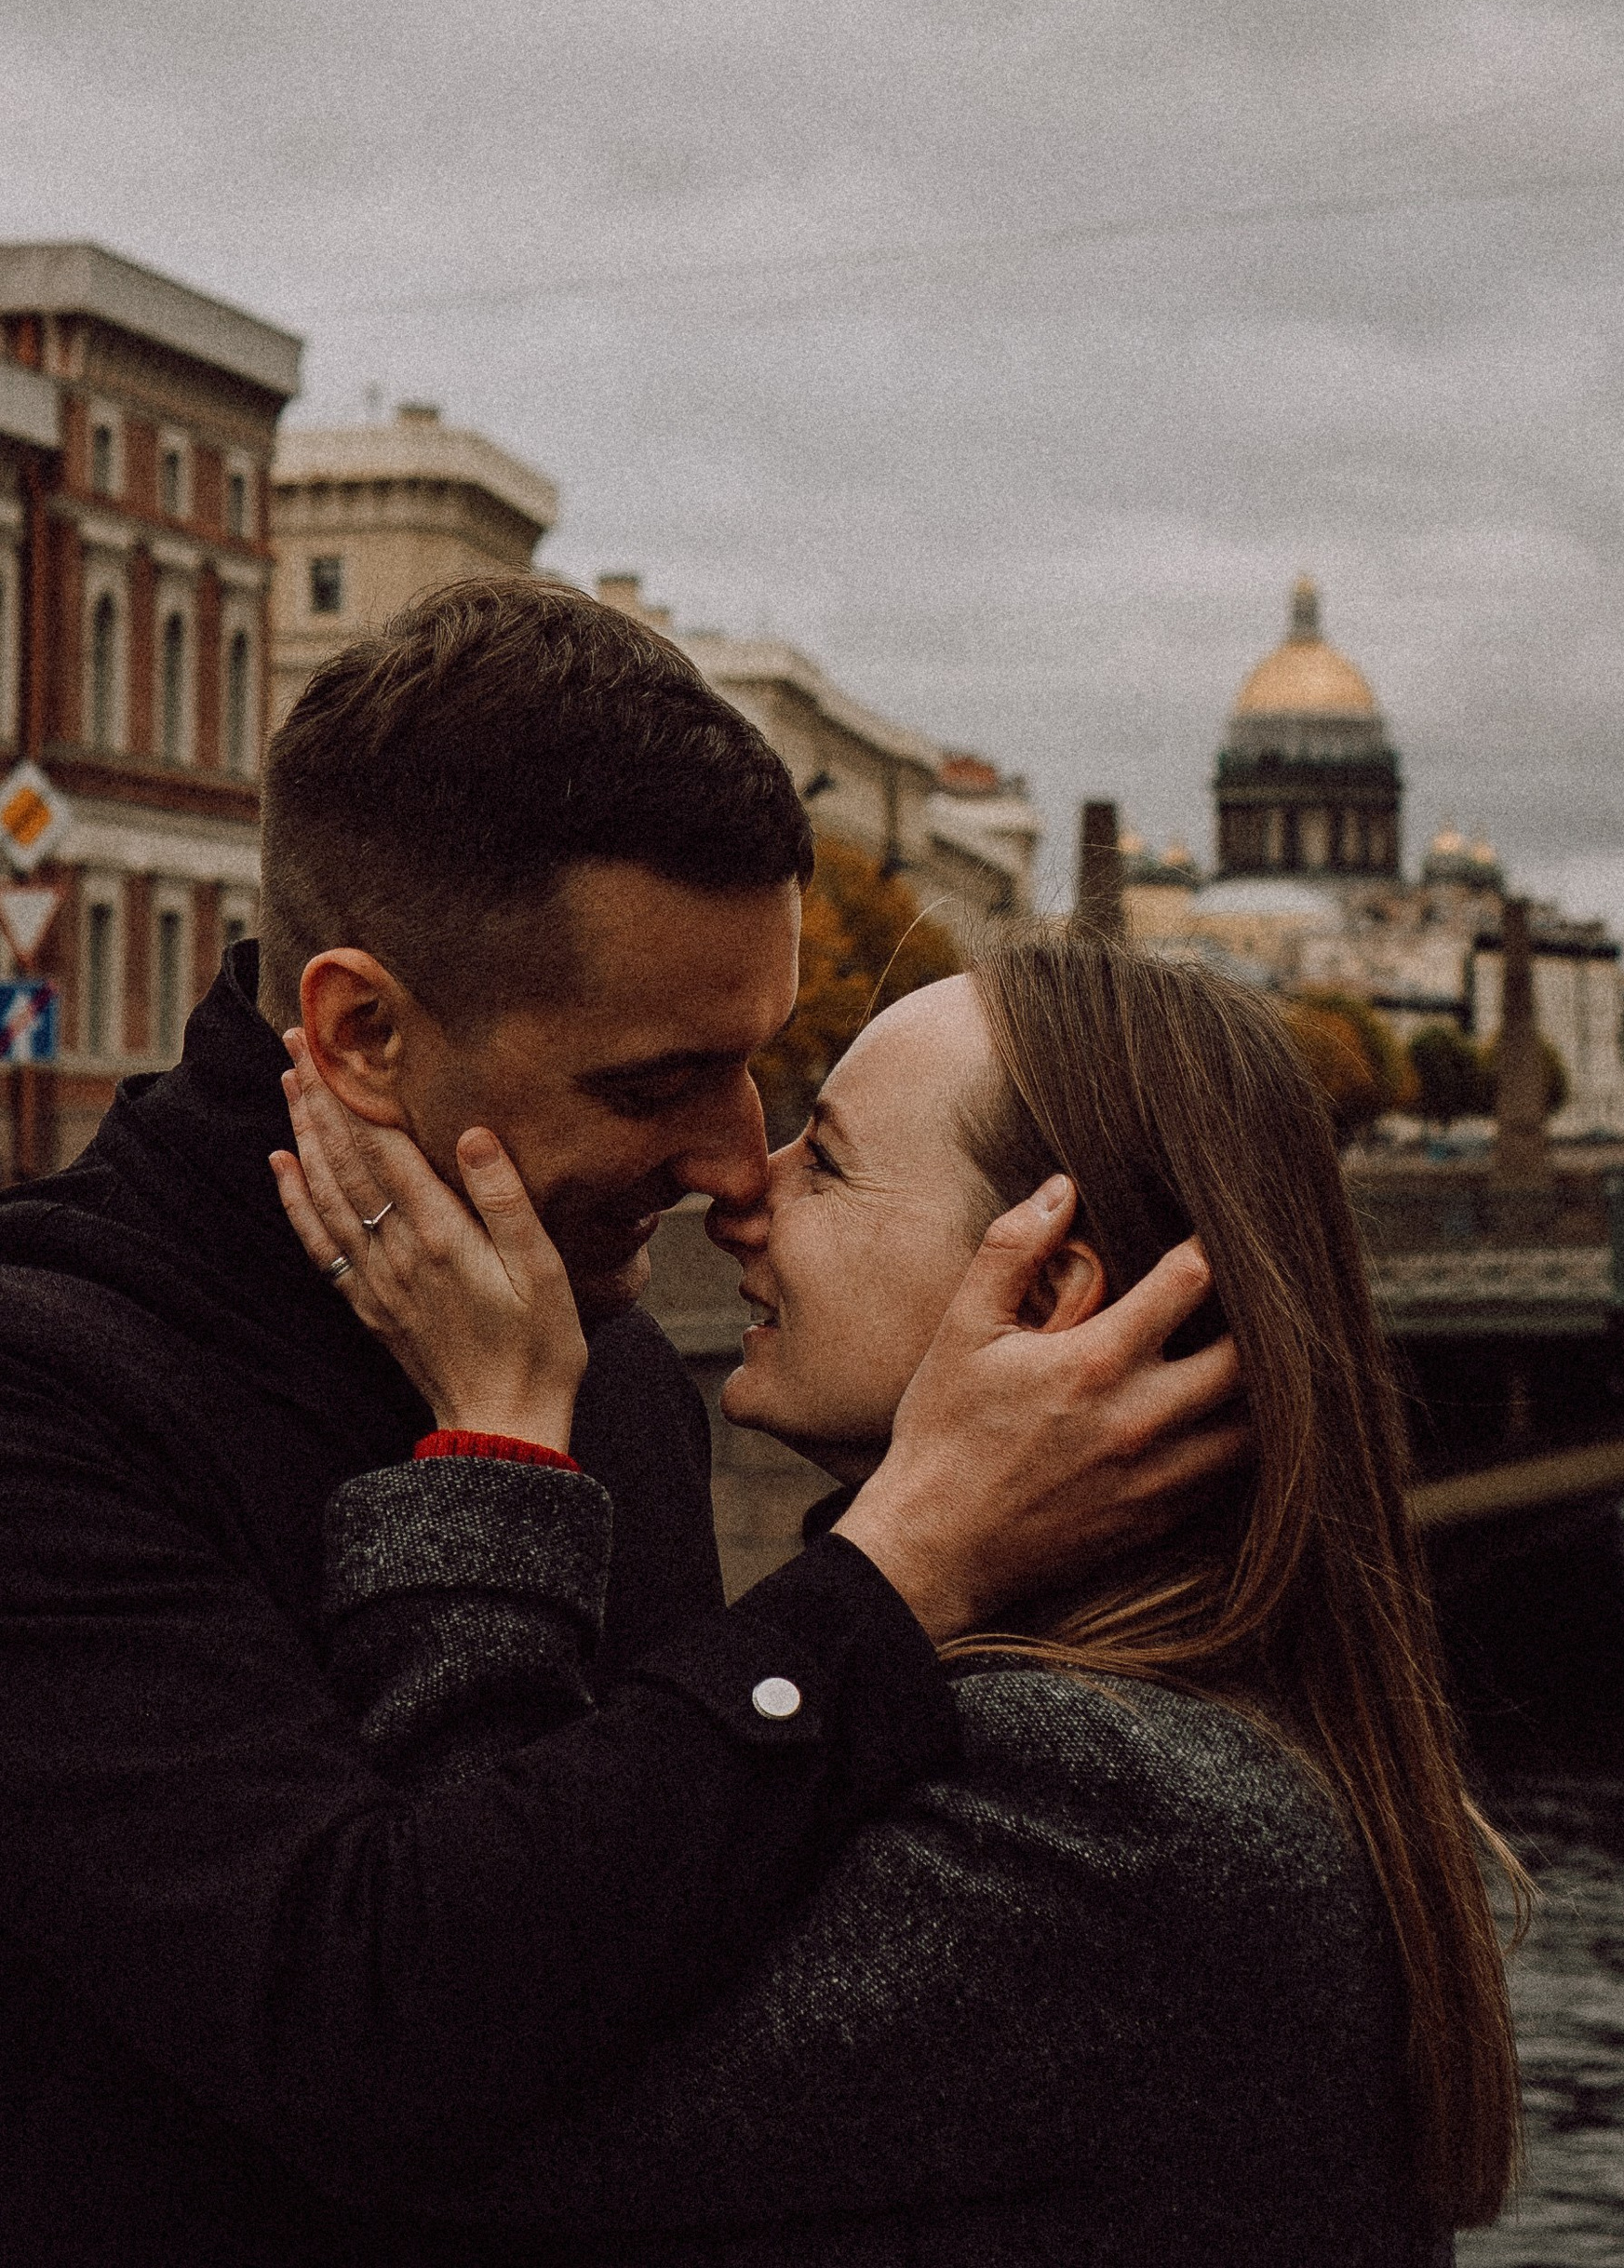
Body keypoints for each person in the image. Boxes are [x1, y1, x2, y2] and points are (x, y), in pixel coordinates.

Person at [0, 583, 1241, 2268]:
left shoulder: (595, 1356)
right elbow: (375, 2039)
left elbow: (674, 1960)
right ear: (363, 1033)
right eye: (654, 1081)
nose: (732, 1164)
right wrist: (894, 1575)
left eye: (758, 1065)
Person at [274, 922, 1526, 2265]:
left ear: (1043, 1293)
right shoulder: (1148, 1739)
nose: (738, 1194)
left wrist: (499, 1439)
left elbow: (445, 2081)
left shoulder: (1115, 1812)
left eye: (827, 1159)